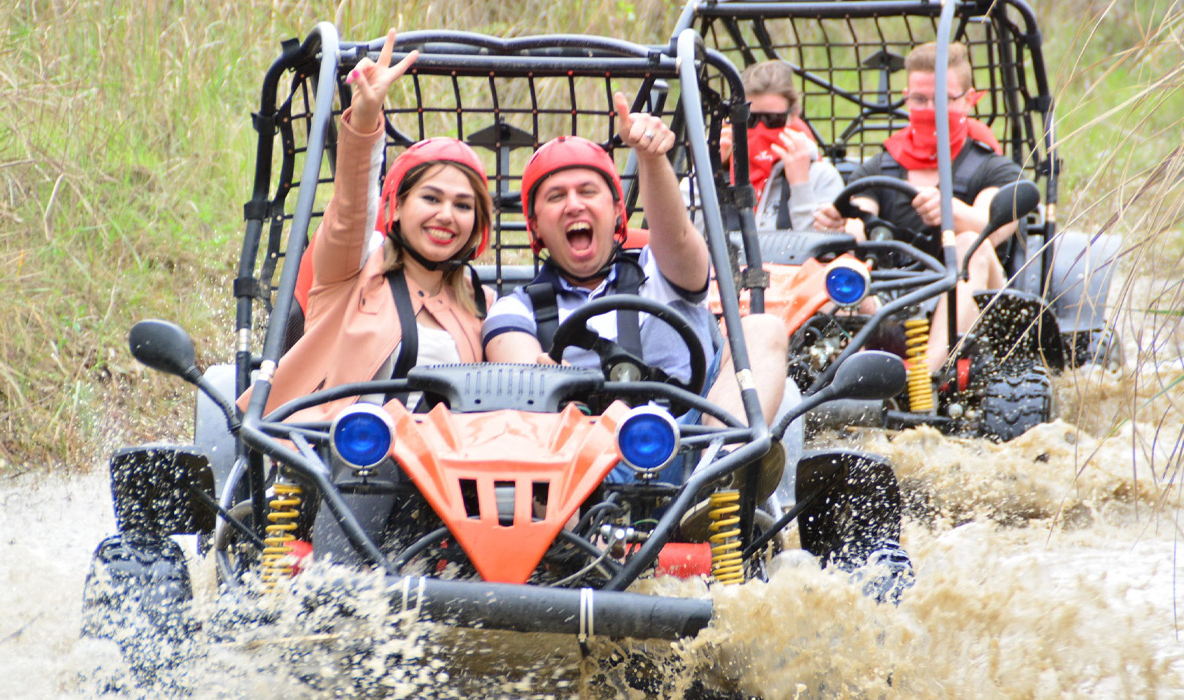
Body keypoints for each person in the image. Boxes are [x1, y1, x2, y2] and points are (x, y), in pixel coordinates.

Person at [482, 91, 789, 482]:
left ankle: (723, 475)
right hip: (587, 466)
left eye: (588, 192)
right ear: (537, 227)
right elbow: (522, 373)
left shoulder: (660, 269)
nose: (574, 205)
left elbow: (675, 237)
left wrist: (651, 157)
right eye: (556, 197)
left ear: (616, 214)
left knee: (762, 328)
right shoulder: (516, 309)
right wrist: (548, 381)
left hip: (691, 446)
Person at [254, 30, 494, 419]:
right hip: (336, 461)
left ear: (476, 223)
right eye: (431, 199)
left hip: (441, 470)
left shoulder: (482, 305)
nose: (447, 215)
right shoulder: (353, 270)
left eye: (463, 205)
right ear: (396, 207)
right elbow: (351, 210)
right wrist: (366, 117)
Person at [813, 41, 1025, 372]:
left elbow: (994, 225)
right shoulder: (879, 167)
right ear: (906, 97)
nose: (930, 110)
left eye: (942, 100)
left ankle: (926, 379)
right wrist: (838, 221)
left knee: (973, 243)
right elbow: (857, 215)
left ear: (969, 100)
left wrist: (950, 212)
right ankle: (832, 371)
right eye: (919, 100)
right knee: (841, 256)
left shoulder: (993, 168)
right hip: (888, 304)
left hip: (977, 308)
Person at [728, 60, 844, 230]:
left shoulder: (821, 176)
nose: (761, 129)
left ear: (793, 114)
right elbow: (686, 238)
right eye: (750, 119)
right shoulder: (722, 167)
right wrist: (706, 168)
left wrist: (800, 185)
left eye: (773, 120)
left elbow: (824, 251)